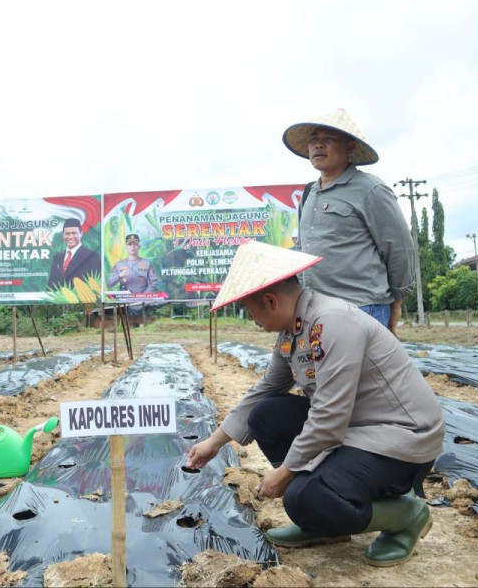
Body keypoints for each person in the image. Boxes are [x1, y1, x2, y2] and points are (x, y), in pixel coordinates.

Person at [187, 240, 444, 567]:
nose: (252, 321)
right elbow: (266, 389)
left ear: (270, 300)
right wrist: (214, 442)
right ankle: (327, 522)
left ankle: (406, 516)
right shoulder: (294, 330)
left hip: (400, 439)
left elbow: (329, 416)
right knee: (266, 416)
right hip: (356, 429)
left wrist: (285, 472)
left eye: (250, 312)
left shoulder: (333, 322)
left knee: (301, 495)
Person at [282, 109, 415, 334]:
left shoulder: (370, 190)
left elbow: (399, 248)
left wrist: (397, 300)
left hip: (362, 308)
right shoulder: (308, 194)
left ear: (350, 148)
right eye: (314, 140)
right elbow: (302, 249)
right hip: (315, 310)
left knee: (359, 370)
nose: (318, 145)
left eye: (328, 139)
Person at [47, 218, 101, 288]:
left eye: (74, 233)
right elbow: (50, 286)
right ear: (63, 235)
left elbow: (96, 284)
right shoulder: (57, 257)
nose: (70, 237)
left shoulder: (92, 257)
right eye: (67, 234)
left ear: (81, 234)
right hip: (59, 298)